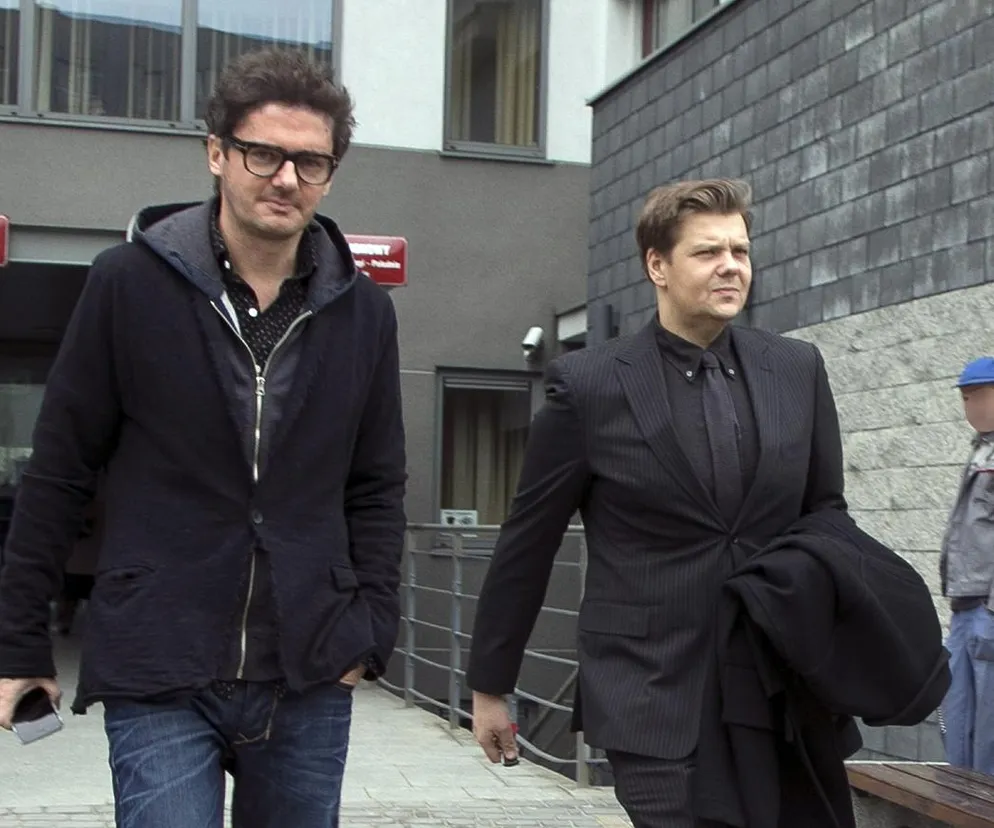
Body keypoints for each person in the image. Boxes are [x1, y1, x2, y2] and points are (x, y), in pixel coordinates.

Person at [0, 48, 406, 828]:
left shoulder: (363, 313)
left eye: (311, 162)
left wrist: (371, 631)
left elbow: (376, 485)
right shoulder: (127, 283)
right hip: (159, 659)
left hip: (309, 667)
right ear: (216, 152)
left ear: (330, 174)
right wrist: (18, 642)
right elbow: (59, 470)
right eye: (263, 154)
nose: (285, 178)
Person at [466, 179, 847, 827]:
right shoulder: (589, 384)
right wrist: (490, 685)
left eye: (740, 250)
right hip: (653, 695)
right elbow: (529, 541)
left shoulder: (796, 368)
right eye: (708, 252)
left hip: (779, 689)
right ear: (657, 266)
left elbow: (826, 516)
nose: (731, 265)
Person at [940, 356, 994, 775]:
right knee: (955, 714)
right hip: (964, 603)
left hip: (987, 608)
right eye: (964, 397)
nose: (969, 406)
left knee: (989, 725)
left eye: (975, 395)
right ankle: (957, 801)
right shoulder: (981, 449)